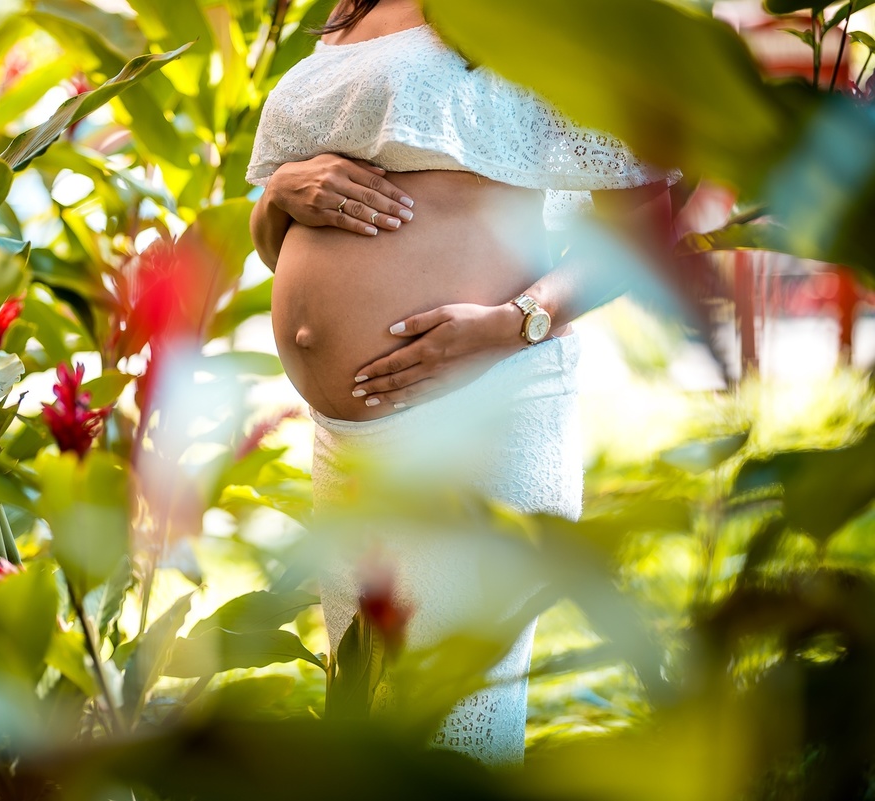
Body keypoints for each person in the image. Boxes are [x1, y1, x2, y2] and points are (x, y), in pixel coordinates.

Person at [246, 0, 677, 764]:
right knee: (368, 720)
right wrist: (281, 192)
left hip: (480, 413)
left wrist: (514, 323)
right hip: (346, 442)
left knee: (453, 730)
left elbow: (644, 225)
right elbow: (275, 245)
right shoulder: (352, 13)